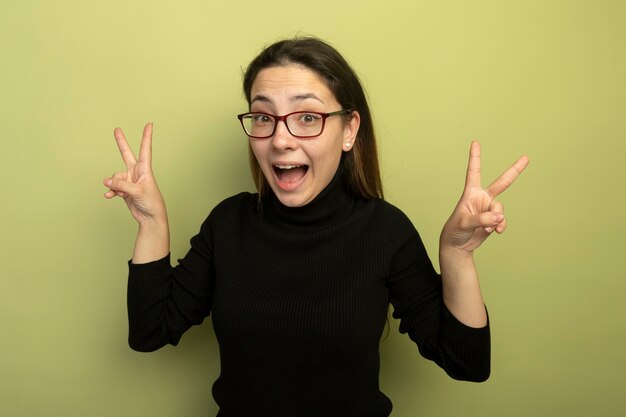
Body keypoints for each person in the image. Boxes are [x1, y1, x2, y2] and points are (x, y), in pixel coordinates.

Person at [103, 37, 529, 417]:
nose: (280, 139)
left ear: (349, 131)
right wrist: (151, 221)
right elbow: (150, 331)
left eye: (307, 117)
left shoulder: (384, 231)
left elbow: (467, 364)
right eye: (264, 117)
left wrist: (457, 255)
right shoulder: (228, 224)